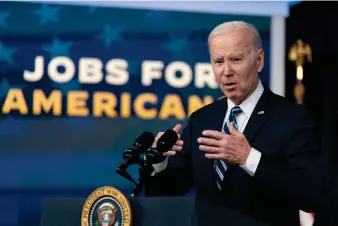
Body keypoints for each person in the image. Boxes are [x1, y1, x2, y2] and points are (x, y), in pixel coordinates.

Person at [144, 21, 332, 226]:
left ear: (259, 60)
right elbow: (166, 192)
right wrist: (159, 163)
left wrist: (248, 158)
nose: (226, 71)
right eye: (218, 61)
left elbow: (313, 194)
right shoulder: (202, 119)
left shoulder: (293, 118)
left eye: (236, 59)